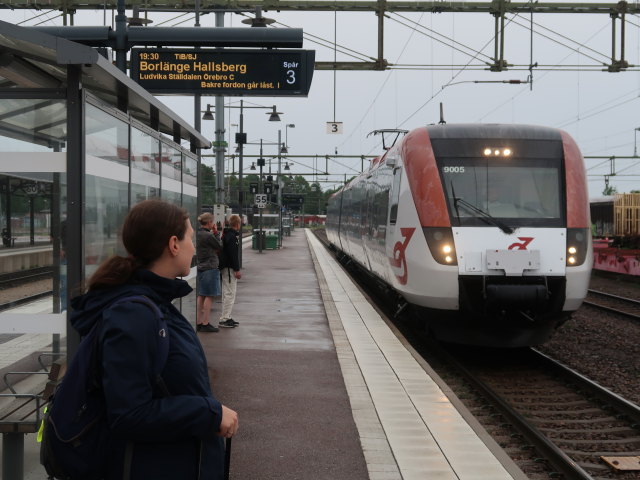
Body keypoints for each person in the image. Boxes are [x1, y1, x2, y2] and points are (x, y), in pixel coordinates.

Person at [70, 199, 238, 479]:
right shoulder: (134, 314)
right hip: (154, 466)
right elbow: (129, 414)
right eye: (190, 239)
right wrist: (209, 413)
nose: (194, 248)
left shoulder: (151, 304)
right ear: (173, 244)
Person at [196, 212, 223, 333]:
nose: (213, 224)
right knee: (209, 295)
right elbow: (219, 246)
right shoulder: (208, 235)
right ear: (209, 223)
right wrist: (216, 232)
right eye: (212, 222)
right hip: (210, 266)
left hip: (201, 266)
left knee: (201, 294)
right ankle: (206, 323)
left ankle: (198, 322)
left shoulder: (198, 234)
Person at [218, 214, 241, 328]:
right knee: (230, 293)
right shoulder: (231, 237)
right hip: (229, 268)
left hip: (226, 267)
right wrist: (237, 269)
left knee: (226, 292)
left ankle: (226, 316)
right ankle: (224, 319)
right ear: (237, 224)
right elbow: (233, 255)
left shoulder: (227, 235)